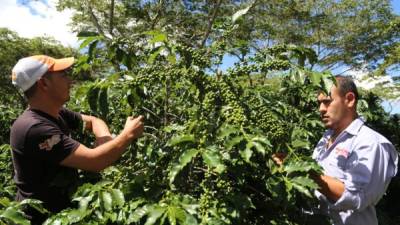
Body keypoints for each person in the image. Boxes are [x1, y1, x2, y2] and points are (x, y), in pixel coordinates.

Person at [10, 55, 144, 224]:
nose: (70, 80)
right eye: (63, 75)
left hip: (66, 214)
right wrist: (128, 134)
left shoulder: (56, 112)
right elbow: (96, 162)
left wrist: (104, 139)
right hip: (42, 220)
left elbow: (94, 121)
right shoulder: (34, 128)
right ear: (43, 83)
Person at [273, 76, 398, 225]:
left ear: (350, 100)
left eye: (327, 102)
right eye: (319, 103)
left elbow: (357, 197)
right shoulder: (326, 137)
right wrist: (289, 167)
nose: (321, 109)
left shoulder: (371, 142)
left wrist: (302, 169)